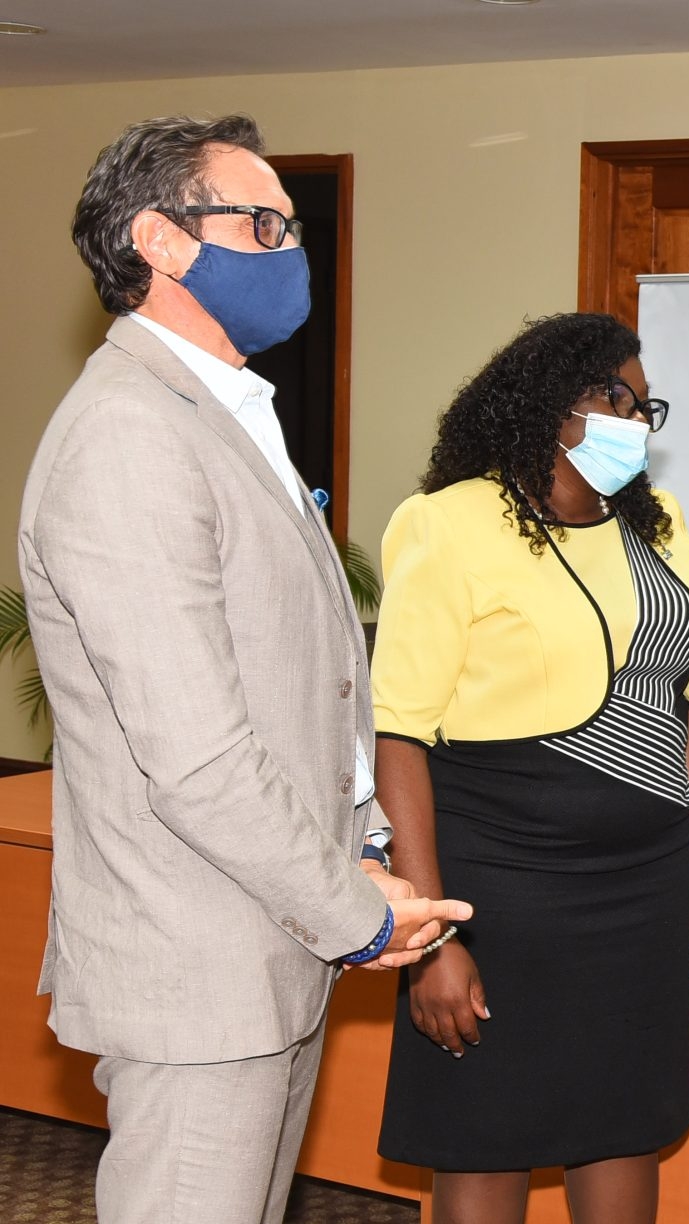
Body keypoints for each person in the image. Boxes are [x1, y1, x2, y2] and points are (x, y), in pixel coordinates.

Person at [18, 114, 471, 1224]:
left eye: (292, 226)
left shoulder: (220, 413)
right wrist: (349, 911)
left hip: (262, 947)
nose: (288, 249)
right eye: (262, 223)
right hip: (196, 968)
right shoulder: (129, 431)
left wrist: (361, 847)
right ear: (161, 243)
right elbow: (192, 745)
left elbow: (296, 681)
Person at [370, 312, 689, 1223]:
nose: (636, 418)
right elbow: (399, 737)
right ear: (549, 404)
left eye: (644, 402)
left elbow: (676, 705)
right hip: (502, 881)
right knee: (486, 1127)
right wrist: (431, 939)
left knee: (622, 1120)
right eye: (615, 396)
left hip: (645, 883)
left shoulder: (658, 526)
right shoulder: (448, 524)